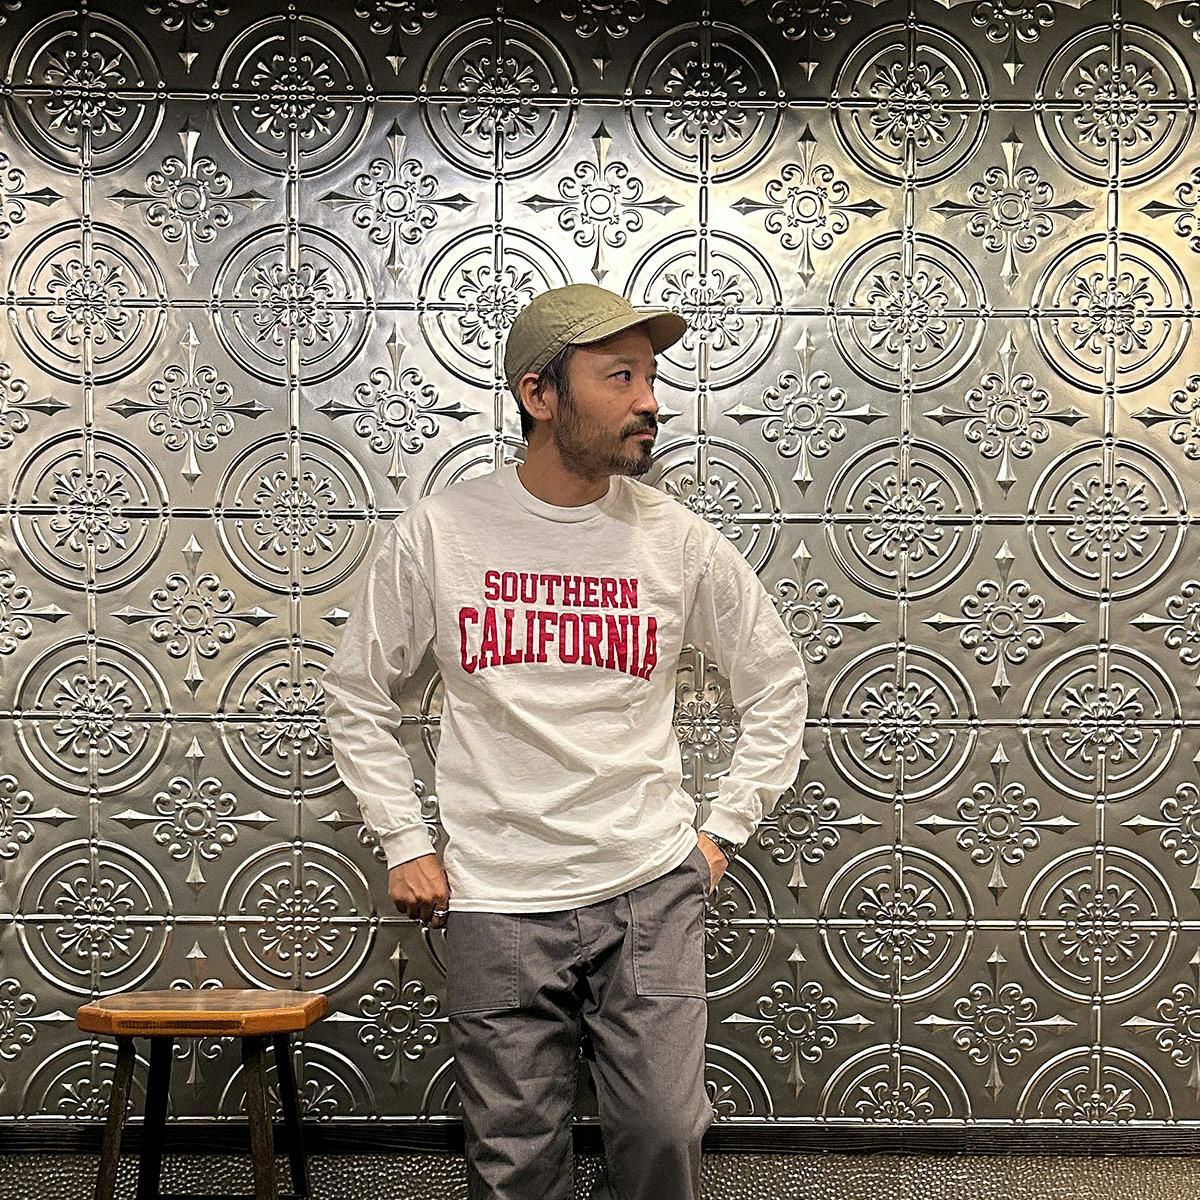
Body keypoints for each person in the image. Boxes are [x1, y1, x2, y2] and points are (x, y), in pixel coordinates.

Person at [322, 283, 809, 1200]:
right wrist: (405, 840)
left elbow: (776, 683)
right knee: (513, 1159)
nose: (649, 401)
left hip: (647, 883)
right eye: (620, 377)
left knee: (664, 1132)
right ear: (539, 394)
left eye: (652, 377)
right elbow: (356, 692)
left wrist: (720, 833)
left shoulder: (678, 541)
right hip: (496, 892)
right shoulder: (441, 534)